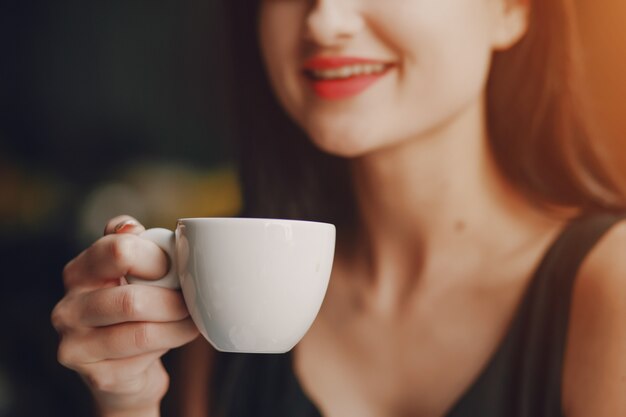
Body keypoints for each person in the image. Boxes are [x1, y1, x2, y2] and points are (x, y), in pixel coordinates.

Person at [51, 0, 626, 416]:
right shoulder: (228, 299)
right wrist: (127, 399)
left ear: (513, 9)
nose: (323, 20)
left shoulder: (610, 288)